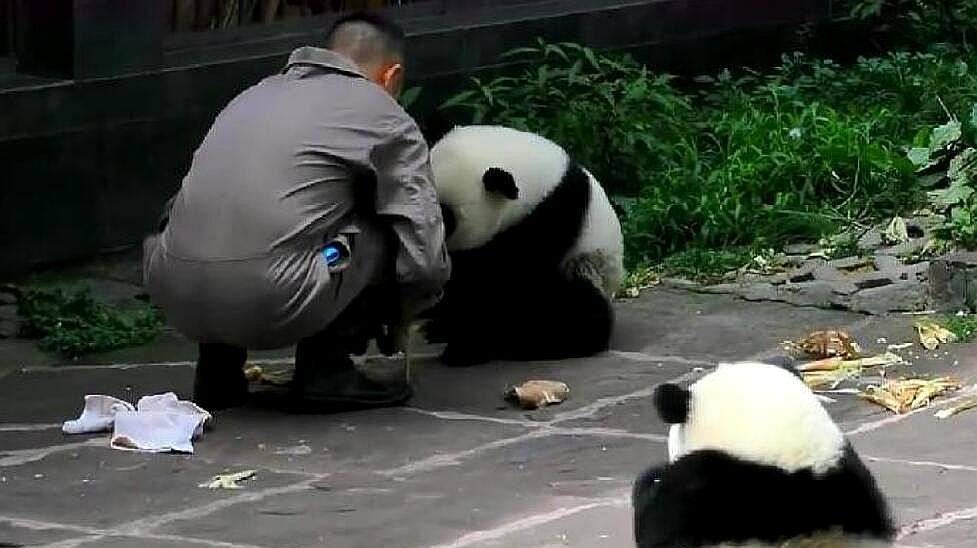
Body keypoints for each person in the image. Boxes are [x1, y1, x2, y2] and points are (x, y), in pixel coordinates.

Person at [142, 11, 451, 412]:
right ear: (390, 76)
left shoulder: (253, 94)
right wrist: (408, 308)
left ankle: (218, 373)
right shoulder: (382, 112)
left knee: (237, 219)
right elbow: (422, 252)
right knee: (384, 224)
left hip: (173, 287)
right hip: (274, 295)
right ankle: (326, 369)